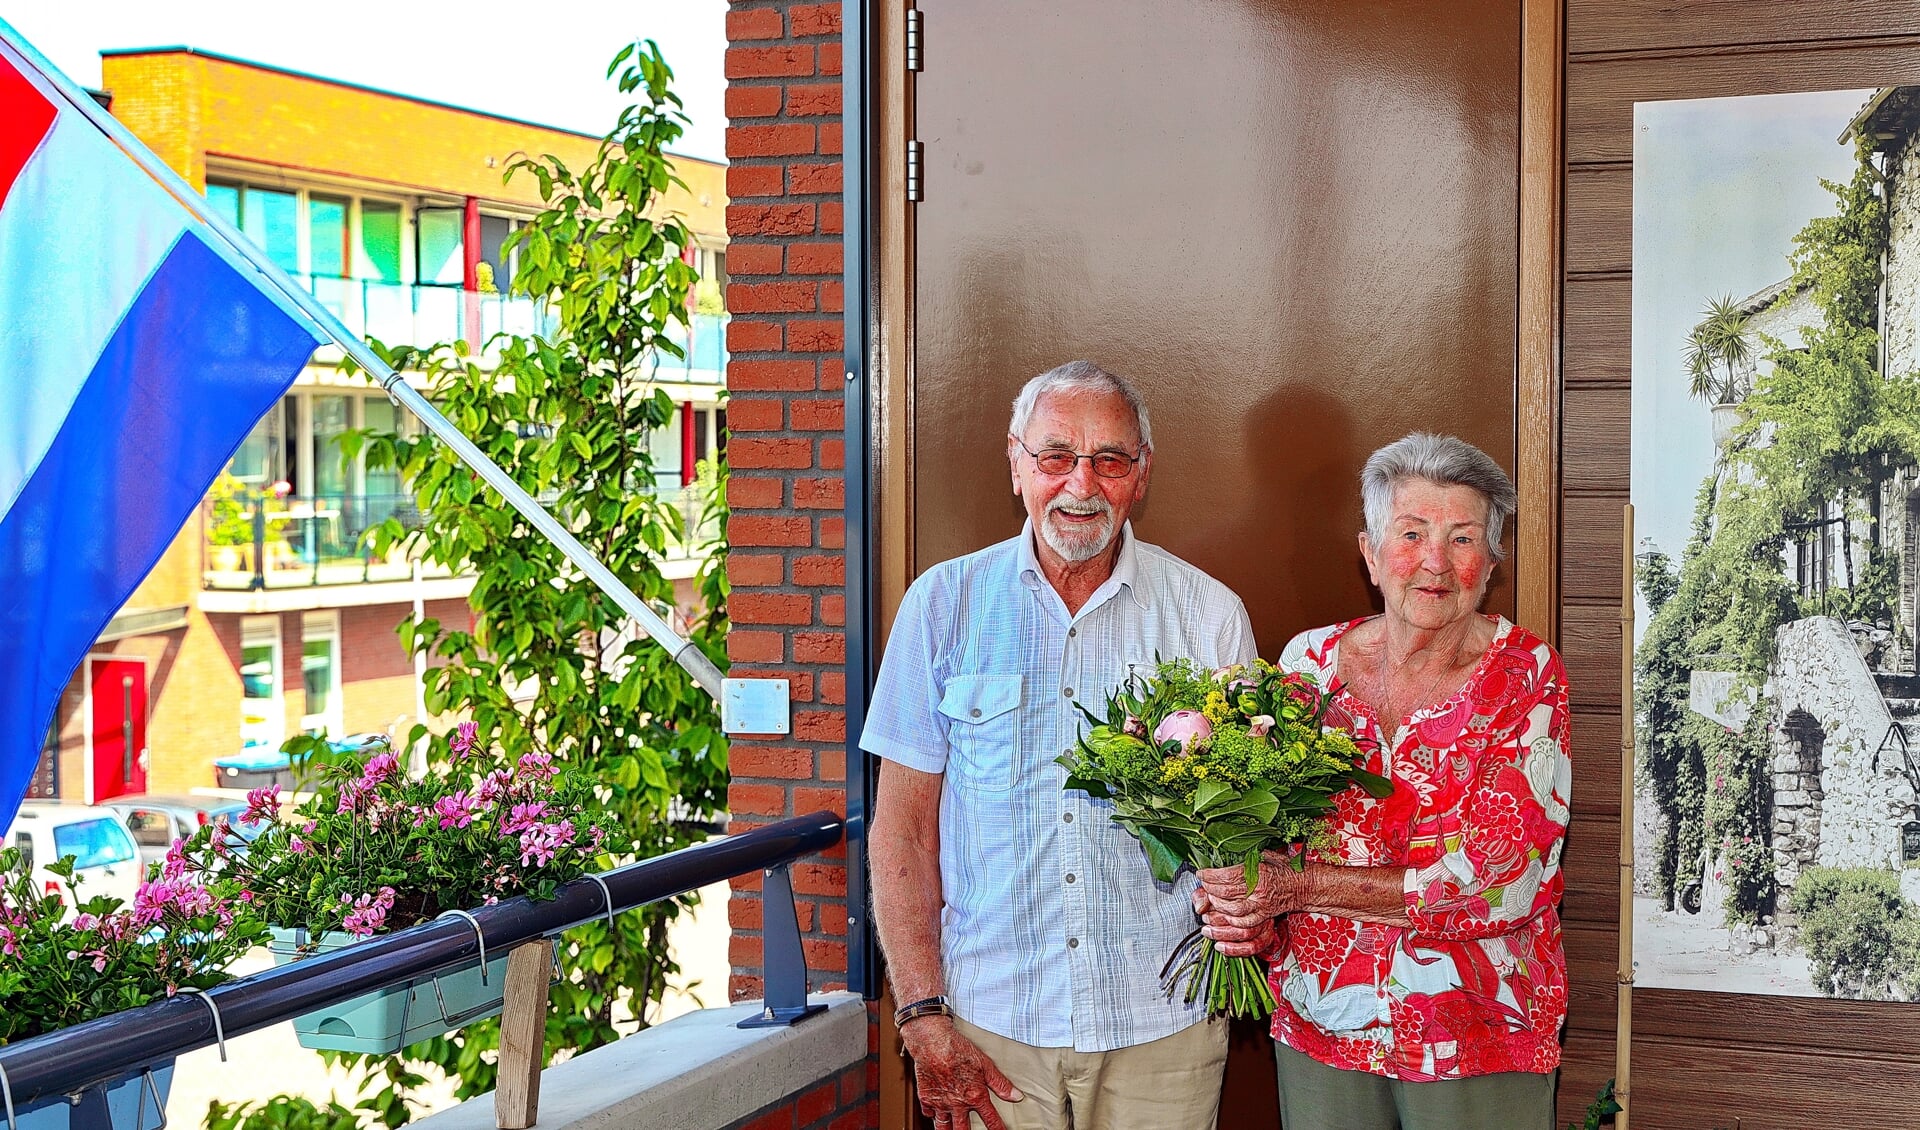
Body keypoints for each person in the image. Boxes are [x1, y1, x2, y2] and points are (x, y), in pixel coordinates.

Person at [863, 361, 1258, 1130]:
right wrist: (920, 1013)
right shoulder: (943, 606)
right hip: (989, 1025)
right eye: (1056, 457)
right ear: (1017, 464)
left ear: (1140, 476)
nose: (1082, 484)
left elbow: (1250, 827)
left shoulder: (1209, 615)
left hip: (1163, 1024)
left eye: (1110, 460)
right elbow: (901, 831)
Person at [1195, 432, 1571, 1130]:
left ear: (1490, 563)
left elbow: (1501, 882)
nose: (1435, 561)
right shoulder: (1306, 665)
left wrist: (1300, 888)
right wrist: (1245, 904)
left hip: (1477, 1035)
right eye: (1411, 533)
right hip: (1322, 1025)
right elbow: (1272, 839)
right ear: (1370, 554)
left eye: (1462, 539)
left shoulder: (1527, 676)